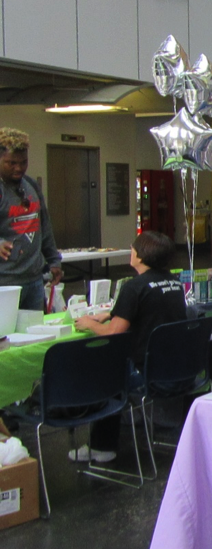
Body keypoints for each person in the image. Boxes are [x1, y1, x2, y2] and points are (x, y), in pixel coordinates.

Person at [70, 231, 186, 463]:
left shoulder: (134, 287)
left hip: (147, 373)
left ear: (140, 256)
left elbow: (114, 332)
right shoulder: (174, 283)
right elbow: (150, 310)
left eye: (133, 248)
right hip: (177, 369)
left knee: (107, 372)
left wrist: (89, 324)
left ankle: (102, 445)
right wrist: (112, 314)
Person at [0, 128, 62, 310]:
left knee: (35, 334)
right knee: (6, 336)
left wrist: (54, 260)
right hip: (5, 282)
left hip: (34, 278)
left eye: (23, 162)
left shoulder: (30, 185)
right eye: (10, 163)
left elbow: (44, 225)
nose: (18, 168)